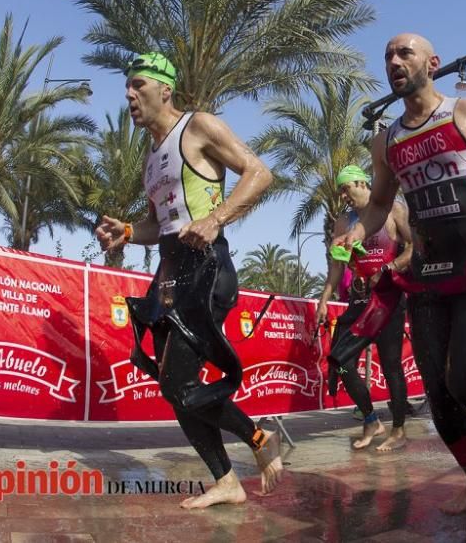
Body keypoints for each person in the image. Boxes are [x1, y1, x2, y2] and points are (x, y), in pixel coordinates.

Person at [333, 33, 466, 514]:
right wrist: (355, 233)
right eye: (388, 56)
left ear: (433, 62)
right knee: (437, 385)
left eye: (404, 53)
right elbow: (381, 202)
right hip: (426, 274)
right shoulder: (386, 141)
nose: (394, 61)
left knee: (465, 378)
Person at [95, 53, 282, 508]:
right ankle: (226, 481)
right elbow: (157, 224)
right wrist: (125, 232)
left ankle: (259, 438)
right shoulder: (151, 158)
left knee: (179, 383)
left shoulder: (198, 127)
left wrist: (218, 217)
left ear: (165, 90)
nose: (129, 95)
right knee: (172, 386)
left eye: (138, 85)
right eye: (127, 87)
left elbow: (260, 173)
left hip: (206, 268)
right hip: (169, 273)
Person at [316, 165, 413, 452]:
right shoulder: (344, 223)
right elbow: (337, 266)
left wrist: (389, 267)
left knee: (392, 365)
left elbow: (413, 246)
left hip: (388, 299)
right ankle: (371, 419)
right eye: (341, 190)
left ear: (361, 182)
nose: (343, 195)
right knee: (340, 361)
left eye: (346, 188)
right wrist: (324, 298)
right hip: (358, 302)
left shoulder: (393, 210)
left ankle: (398, 430)